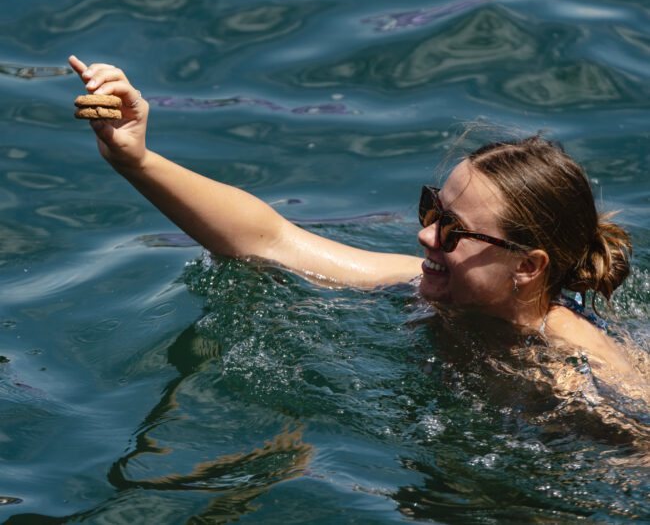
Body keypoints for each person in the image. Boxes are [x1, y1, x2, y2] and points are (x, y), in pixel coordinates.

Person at [68, 55, 643, 383]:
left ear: (528, 266)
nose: (423, 235)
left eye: (452, 230)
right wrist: (135, 158)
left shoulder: (579, 370)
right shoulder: (424, 287)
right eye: (431, 210)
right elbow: (272, 239)